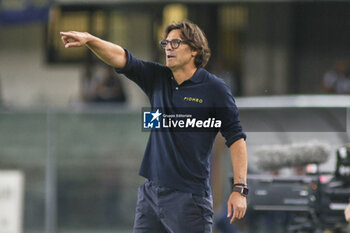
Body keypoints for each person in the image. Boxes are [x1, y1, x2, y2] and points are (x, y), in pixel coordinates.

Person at [60, 20, 248, 233]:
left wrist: (239, 189)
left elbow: (236, 139)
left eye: (175, 43)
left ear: (195, 49)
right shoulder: (157, 78)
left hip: (189, 199)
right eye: (165, 43)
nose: (168, 47)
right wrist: (90, 40)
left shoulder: (215, 89)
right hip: (151, 195)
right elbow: (121, 57)